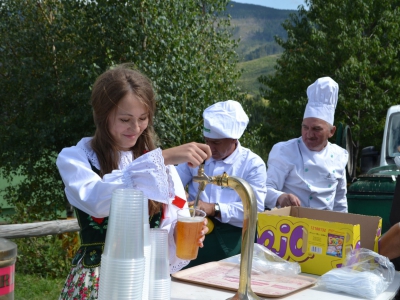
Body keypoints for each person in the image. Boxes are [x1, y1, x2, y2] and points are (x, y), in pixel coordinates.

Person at [56, 64, 211, 299]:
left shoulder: (161, 169)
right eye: (125, 119)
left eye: (143, 118)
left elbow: (166, 245)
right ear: (102, 115)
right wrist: (163, 157)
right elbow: (96, 199)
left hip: (147, 282)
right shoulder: (75, 158)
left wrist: (179, 235)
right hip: (98, 282)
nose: (136, 128)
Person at [176, 100, 267, 268]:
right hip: (196, 231)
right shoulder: (198, 155)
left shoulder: (252, 164)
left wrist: (213, 208)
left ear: (233, 139)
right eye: (207, 140)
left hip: (232, 238)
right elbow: (172, 182)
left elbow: (254, 209)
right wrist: (178, 196)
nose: (209, 148)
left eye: (216, 143)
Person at [265, 77, 348, 212]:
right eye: (305, 127)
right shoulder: (284, 151)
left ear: (331, 132)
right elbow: (264, 190)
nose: (309, 134)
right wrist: (280, 197)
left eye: (316, 129)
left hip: (325, 227)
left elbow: (340, 202)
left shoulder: (339, 156)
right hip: (291, 227)